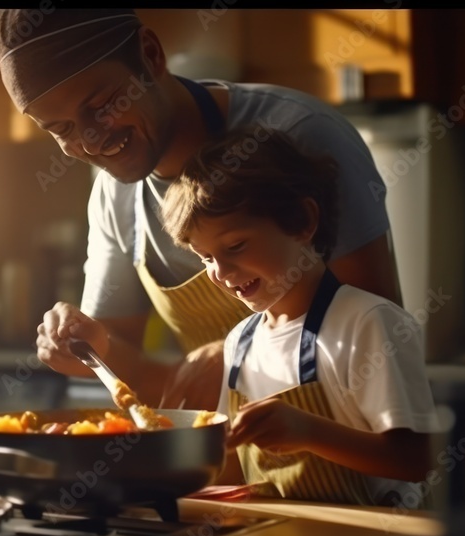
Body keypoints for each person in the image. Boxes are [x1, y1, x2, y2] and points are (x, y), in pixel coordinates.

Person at [0, 9, 402, 409]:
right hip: (227, 470)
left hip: (357, 463)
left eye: (102, 104)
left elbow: (381, 337)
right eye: (61, 129)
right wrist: (86, 346)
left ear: (150, 55)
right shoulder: (113, 197)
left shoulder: (303, 134)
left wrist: (240, 355)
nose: (91, 140)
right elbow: (128, 366)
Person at [159, 127, 441, 506]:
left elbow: (419, 460)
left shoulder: (368, 323)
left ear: (303, 221)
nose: (221, 272)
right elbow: (236, 472)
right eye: (206, 258)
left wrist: (309, 432)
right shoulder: (240, 342)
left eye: (236, 246)